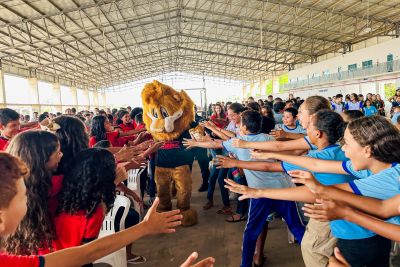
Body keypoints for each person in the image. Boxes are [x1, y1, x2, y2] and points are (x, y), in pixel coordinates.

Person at [230, 116, 400, 267]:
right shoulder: (373, 167)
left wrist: (259, 192)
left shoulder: (389, 178)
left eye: (347, 144)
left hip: (365, 242)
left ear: (367, 150)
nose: (343, 149)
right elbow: (316, 165)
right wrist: (277, 157)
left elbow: (321, 192)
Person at [0, 152, 215, 267]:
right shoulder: (88, 212)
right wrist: (144, 227)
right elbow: (87, 253)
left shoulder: (11, 258)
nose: (31, 198)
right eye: (24, 195)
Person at [217, 109, 352, 267]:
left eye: (308, 126)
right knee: (299, 229)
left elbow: (271, 166)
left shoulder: (315, 157)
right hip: (342, 216)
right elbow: (279, 148)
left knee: (314, 250)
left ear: (318, 134)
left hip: (326, 215)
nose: (304, 130)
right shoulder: (338, 152)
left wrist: (236, 163)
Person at [183, 110, 305, 267]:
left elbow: (215, 143)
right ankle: (317, 257)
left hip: (259, 194)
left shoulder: (239, 142)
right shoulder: (268, 138)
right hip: (283, 191)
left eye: (239, 123)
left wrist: (196, 143)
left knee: (251, 233)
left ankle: (245, 264)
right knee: (296, 226)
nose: (238, 125)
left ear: (245, 127)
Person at [5, 130, 63, 255]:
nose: (61, 155)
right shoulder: (57, 186)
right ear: (42, 159)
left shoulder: (9, 185)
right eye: (57, 153)